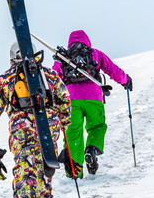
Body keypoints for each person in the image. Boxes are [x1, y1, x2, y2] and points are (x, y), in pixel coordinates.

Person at [0, 42, 72, 198]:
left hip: (21, 126)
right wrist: (64, 121)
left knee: (25, 161)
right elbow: (64, 97)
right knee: (45, 159)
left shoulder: (6, 78)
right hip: (48, 122)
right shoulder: (49, 74)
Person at [52, 30, 133, 178]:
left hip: (71, 101)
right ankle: (92, 149)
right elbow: (112, 69)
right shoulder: (95, 53)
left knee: (72, 134)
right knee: (97, 126)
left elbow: (53, 79)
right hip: (94, 98)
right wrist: (125, 80)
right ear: (87, 40)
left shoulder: (63, 58)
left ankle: (74, 173)